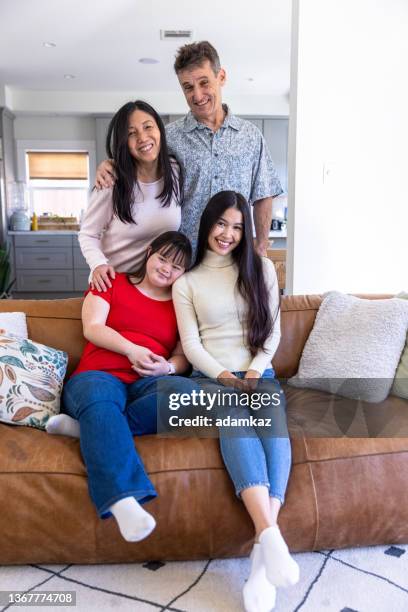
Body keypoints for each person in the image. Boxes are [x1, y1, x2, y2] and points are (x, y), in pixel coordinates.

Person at [172, 192, 298, 612]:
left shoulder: (260, 268)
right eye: (221, 224)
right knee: (232, 414)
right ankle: (269, 536)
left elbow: (274, 333)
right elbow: (191, 345)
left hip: (257, 373)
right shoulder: (186, 282)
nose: (228, 234)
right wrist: (225, 377)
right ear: (207, 223)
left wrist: (256, 371)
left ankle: (263, 555)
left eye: (237, 227)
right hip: (212, 378)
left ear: (246, 231)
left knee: (272, 418)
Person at [46, 231, 198, 543]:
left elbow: (184, 356)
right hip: (99, 375)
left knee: (188, 394)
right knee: (100, 400)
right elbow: (93, 327)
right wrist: (131, 349)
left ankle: (87, 428)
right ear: (149, 251)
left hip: (148, 383)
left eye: (177, 267)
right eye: (163, 258)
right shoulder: (111, 282)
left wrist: (167, 367)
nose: (167, 268)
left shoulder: (182, 304)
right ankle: (123, 500)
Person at [95, 41, 283, 258]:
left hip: (237, 259)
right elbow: (138, 165)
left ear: (221, 77)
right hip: (185, 261)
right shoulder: (169, 138)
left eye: (204, 83)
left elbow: (263, 195)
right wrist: (110, 164)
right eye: (188, 87)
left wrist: (260, 248)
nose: (197, 95)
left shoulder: (251, 136)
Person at [79, 100, 183, 292]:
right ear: (123, 142)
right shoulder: (112, 181)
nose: (142, 137)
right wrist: (98, 264)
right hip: (113, 283)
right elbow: (88, 233)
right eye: (131, 133)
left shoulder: (175, 171)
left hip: (153, 287)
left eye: (148, 127)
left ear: (159, 129)